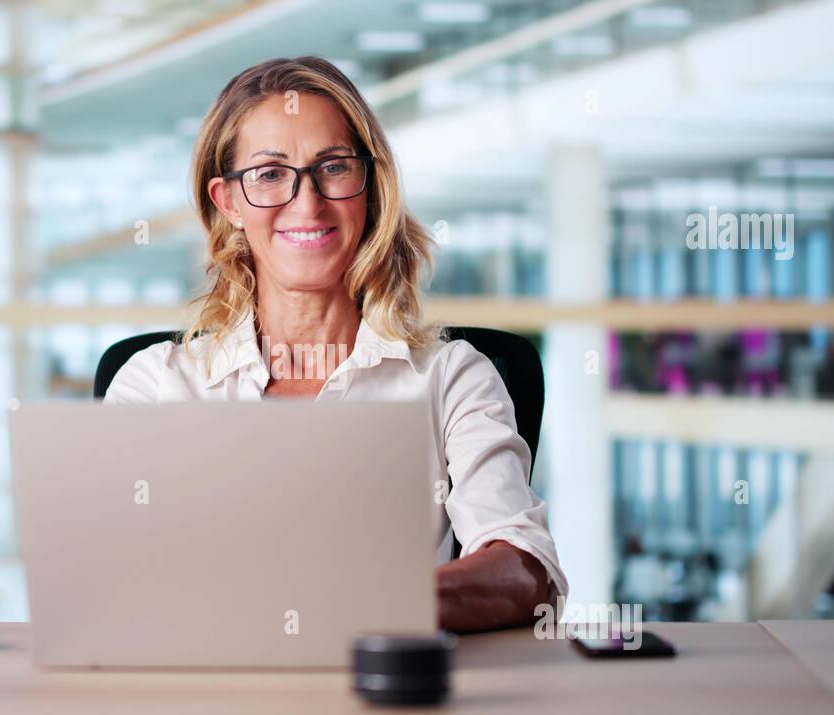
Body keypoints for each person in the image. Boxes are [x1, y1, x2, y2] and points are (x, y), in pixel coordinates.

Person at [105, 56, 566, 632]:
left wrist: (367, 606)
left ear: (370, 185)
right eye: (270, 174)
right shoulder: (156, 385)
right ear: (228, 202)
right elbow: (112, 581)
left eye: (334, 167)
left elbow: (525, 571)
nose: (308, 202)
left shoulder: (451, 378)